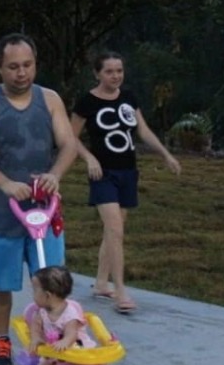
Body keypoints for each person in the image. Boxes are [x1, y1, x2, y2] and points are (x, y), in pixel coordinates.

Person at [0, 32, 78, 365]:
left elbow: (69, 145)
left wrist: (55, 174)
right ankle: (2, 340)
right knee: (1, 283)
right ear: (0, 68)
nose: (21, 73)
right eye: (13, 66)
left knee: (52, 281)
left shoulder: (51, 100)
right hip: (2, 213)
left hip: (45, 212)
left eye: (27, 65)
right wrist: (5, 183)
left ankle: (54, 337)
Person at [70, 51, 181, 315]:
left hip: (128, 172)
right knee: (115, 229)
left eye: (119, 71)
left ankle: (100, 283)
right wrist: (88, 159)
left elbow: (142, 130)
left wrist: (165, 154)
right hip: (103, 174)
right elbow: (69, 137)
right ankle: (120, 290)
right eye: (109, 71)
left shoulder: (129, 98)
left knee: (114, 231)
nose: (115, 76)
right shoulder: (87, 102)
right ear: (97, 73)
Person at [18, 265, 99, 365]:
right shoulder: (40, 312)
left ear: (47, 295)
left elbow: (72, 333)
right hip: (54, 354)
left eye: (35, 291)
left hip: (78, 351)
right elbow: (34, 328)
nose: (33, 295)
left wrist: (65, 342)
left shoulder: (70, 313)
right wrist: (35, 338)